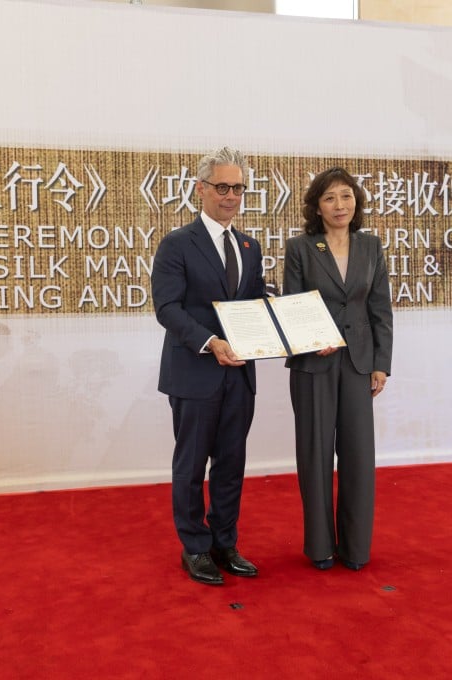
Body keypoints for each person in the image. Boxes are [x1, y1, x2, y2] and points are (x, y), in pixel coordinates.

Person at [151, 146, 266, 586]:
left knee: (232, 463)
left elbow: (253, 305)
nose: (231, 196)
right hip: (195, 373)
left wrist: (291, 325)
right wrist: (210, 342)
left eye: (238, 188)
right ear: (201, 189)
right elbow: (167, 309)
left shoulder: (249, 246)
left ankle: (224, 542)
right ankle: (195, 547)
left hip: (239, 375)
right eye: (222, 187)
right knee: (191, 464)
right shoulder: (177, 244)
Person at [282, 167, 393, 572]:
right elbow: (292, 305)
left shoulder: (371, 247)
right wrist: (312, 339)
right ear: (317, 206)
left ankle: (356, 549)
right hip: (314, 363)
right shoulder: (301, 248)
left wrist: (381, 364)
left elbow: (380, 308)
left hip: (359, 362)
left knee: (359, 456)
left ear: (356, 202)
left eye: (346, 196)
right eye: (330, 198)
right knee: (314, 455)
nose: (339, 205)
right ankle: (320, 547)